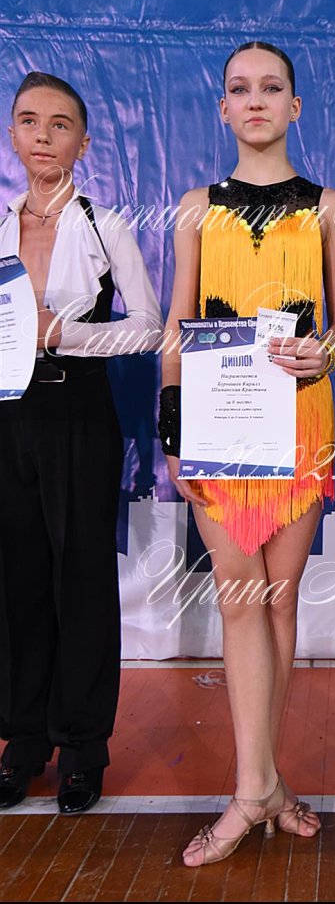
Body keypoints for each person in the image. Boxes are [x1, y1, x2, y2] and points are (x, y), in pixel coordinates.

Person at [159, 41, 335, 866]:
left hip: (301, 424)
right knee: (240, 598)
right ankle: (253, 791)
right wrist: (174, 432)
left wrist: (323, 352)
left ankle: (263, 785)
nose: (256, 99)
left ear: (294, 106)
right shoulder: (194, 208)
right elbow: (177, 327)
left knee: (279, 601)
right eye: (240, 88)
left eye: (271, 87)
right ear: (223, 108)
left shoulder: (331, 207)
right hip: (219, 426)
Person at [0, 72, 163, 812]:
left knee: (82, 578)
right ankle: (22, 740)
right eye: (30, 121)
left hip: (78, 409)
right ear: (12, 133)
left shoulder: (107, 226)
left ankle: (82, 748)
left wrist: (64, 332)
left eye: (59, 124)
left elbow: (151, 327)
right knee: (17, 579)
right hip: (9, 415)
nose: (43, 135)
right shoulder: (1, 226)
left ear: (84, 142)